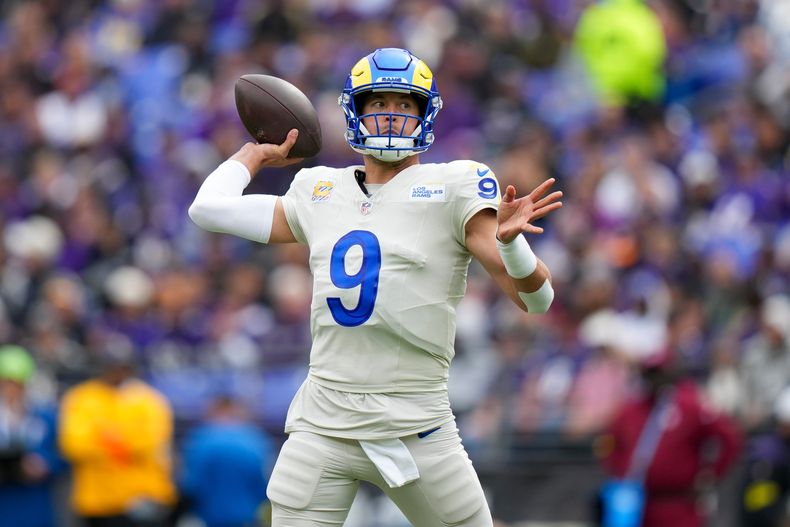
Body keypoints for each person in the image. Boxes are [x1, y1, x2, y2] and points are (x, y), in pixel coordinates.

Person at [189, 47, 562, 526]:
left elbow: (537, 299)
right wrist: (254, 153)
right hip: (324, 423)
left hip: (416, 425)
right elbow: (208, 208)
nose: (391, 116)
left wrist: (512, 246)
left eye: (405, 105)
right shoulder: (319, 189)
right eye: (378, 103)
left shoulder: (455, 185)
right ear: (355, 111)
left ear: (425, 116)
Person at [599, 348, 742, 527]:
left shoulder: (690, 405)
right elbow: (608, 443)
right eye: (650, 373)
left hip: (679, 503)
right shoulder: (630, 410)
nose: (654, 380)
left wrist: (710, 473)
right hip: (637, 504)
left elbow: (729, 438)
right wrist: (620, 471)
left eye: (659, 373)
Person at [58, 345, 177, 527]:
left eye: (121, 367)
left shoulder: (148, 399)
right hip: (97, 500)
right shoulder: (82, 397)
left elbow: (149, 443)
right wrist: (123, 443)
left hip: (141, 497)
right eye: (111, 366)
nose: (116, 372)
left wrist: (105, 438)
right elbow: (74, 445)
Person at [179, 394, 275, 527]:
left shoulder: (200, 439)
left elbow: (191, 485)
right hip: (247, 517)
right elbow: (265, 484)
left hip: (209, 517)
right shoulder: (257, 439)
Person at [0, 345, 63, 527]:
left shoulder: (45, 416)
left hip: (36, 505)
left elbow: (62, 455)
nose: (11, 389)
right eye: (6, 383)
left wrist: (44, 463)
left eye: (17, 383)